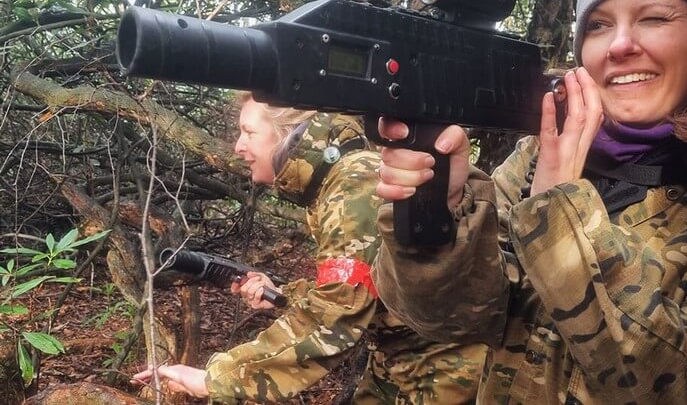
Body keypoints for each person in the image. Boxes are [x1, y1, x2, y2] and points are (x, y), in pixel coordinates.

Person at [372, 0, 687, 403]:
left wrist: (561, 215)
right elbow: (451, 321)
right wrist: (443, 211)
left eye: (653, 18)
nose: (619, 46)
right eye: (598, 25)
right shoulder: (541, 152)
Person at [132, 93, 487, 404]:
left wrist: (216, 379)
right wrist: (282, 294)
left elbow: (338, 313)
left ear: (289, 134)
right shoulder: (332, 185)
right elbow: (369, 288)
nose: (239, 146)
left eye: (249, 132)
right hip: (406, 361)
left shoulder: (353, 182)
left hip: (446, 367)